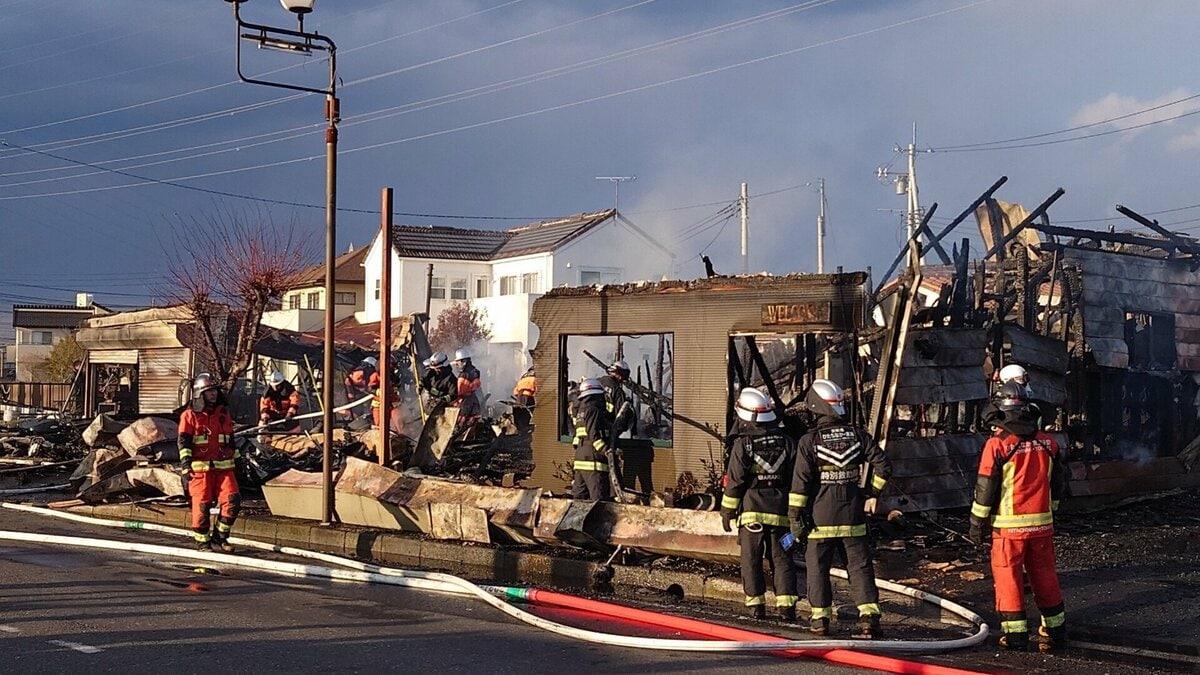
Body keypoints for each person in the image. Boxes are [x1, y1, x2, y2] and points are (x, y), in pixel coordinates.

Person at [969, 382, 1069, 653]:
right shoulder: (1049, 443)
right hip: (1043, 526)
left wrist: (977, 523)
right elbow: (1059, 482)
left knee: (1008, 579)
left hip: (1008, 529)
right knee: (1045, 575)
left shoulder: (998, 444)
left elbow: (985, 488)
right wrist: (1052, 509)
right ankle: (1055, 629)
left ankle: (1015, 636)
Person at [789, 378, 892, 638]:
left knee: (818, 570)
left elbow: (800, 486)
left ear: (816, 407)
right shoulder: (858, 435)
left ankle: (820, 622)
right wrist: (870, 493)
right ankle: (869, 619)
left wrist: (795, 518)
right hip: (853, 518)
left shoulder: (809, 442)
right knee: (859, 569)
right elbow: (884, 465)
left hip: (819, 521)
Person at [720, 387, 798, 621]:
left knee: (751, 559)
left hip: (752, 512)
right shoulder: (787, 441)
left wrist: (727, 510)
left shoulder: (743, 444)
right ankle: (787, 607)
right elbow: (797, 476)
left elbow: (735, 482)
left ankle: (757, 606)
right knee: (782, 558)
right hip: (781, 512)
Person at [177, 373, 241, 553]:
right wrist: (185, 464)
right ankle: (202, 542)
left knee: (233, 500)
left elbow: (230, 440)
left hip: (224, 467)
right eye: (209, 391)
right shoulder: (189, 416)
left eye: (215, 390)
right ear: (199, 393)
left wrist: (238, 460)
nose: (213, 394)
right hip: (200, 470)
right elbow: (184, 441)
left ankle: (220, 538)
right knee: (202, 507)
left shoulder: (223, 413)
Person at [571, 378, 612, 501]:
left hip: (580, 457)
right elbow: (593, 434)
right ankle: (597, 521)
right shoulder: (593, 410)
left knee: (579, 499)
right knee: (598, 500)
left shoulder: (580, 411)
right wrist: (606, 450)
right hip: (593, 459)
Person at [600, 359, 634, 436]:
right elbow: (621, 414)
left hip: (591, 427)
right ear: (619, 374)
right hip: (607, 429)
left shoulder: (597, 382)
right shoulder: (617, 391)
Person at [452, 348, 482, 419]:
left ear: (464, 361)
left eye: (458, 362)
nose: (457, 365)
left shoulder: (464, 376)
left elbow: (459, 391)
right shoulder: (474, 371)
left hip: (465, 405)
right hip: (475, 402)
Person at [511, 366, 538, 431]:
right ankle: (526, 426)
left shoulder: (522, 379)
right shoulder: (535, 379)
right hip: (528, 397)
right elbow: (537, 391)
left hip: (519, 397)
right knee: (528, 411)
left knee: (519, 411)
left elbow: (515, 391)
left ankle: (519, 427)